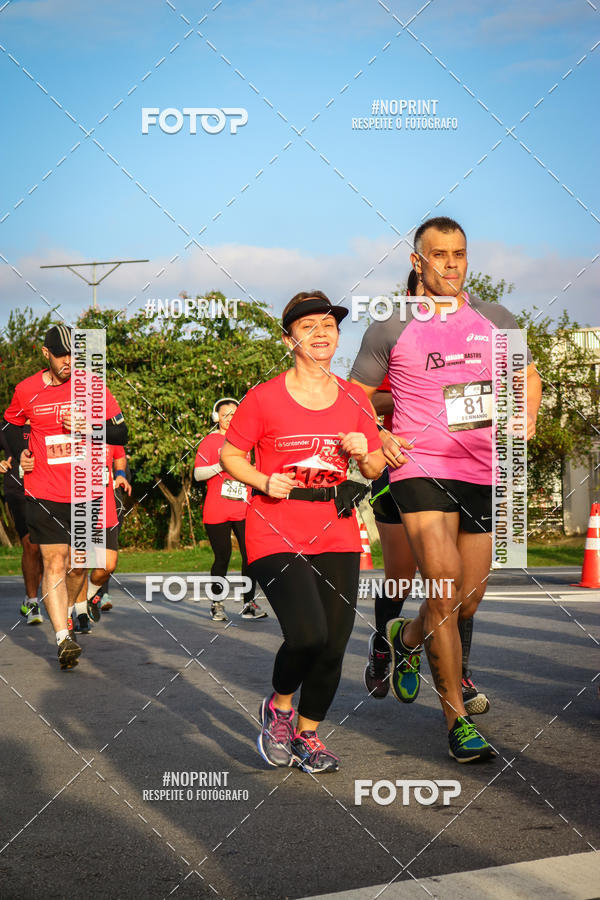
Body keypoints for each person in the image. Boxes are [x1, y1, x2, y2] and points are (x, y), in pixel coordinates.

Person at [350, 217, 541, 762]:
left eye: (459, 253)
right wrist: (379, 436)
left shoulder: (494, 317)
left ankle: (405, 641)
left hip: (482, 468)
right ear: (418, 262)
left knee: (466, 601)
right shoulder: (391, 325)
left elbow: (528, 374)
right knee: (441, 588)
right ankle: (457, 721)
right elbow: (356, 396)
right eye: (439, 255)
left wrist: (526, 412)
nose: (451, 263)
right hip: (420, 468)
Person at [221, 291, 385, 773]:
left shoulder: (355, 398)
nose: (321, 333)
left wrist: (362, 452)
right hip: (274, 528)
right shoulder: (264, 397)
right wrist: (261, 479)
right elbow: (231, 454)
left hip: (335, 528)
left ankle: (308, 737)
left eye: (329, 325)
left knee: (335, 642)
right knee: (308, 634)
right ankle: (279, 707)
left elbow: (374, 468)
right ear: (289, 337)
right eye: (309, 326)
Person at [364, 271, 489, 717]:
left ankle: (458, 667)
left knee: (458, 584)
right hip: (400, 466)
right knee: (401, 572)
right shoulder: (399, 338)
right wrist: (404, 401)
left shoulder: (465, 336)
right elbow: (362, 403)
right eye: (422, 290)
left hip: (458, 468)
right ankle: (385, 644)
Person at [3, 324, 128, 670]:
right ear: (46, 354)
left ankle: (75, 608)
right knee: (54, 562)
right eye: (61, 355)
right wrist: (22, 451)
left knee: (78, 564)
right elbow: (11, 424)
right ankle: (62, 638)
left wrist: (88, 427)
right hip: (43, 492)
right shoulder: (26, 390)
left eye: (74, 354)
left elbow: (121, 431)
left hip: (86, 491)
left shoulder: (93, 388)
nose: (68, 361)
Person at [194, 399, 267, 622]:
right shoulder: (210, 441)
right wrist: (221, 465)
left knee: (250, 556)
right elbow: (198, 475)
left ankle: (248, 604)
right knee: (222, 556)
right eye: (226, 414)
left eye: (235, 414)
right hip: (217, 510)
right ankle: (217, 604)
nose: (231, 418)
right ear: (217, 417)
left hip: (243, 508)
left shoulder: (246, 442)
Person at [72, 443, 132, 633]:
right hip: (78, 506)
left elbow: (119, 455)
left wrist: (120, 474)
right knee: (79, 564)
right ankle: (81, 615)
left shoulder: (111, 432)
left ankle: (89, 596)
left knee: (108, 564)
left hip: (105, 506)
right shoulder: (71, 431)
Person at [1, 422, 43, 624]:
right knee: (31, 545)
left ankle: (30, 596)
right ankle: (33, 602)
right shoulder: (6, 426)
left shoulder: (45, 418)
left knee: (48, 550)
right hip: (18, 491)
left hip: (47, 490)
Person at [95, 446, 131, 612]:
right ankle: (81, 607)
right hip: (80, 502)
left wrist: (121, 475)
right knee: (82, 560)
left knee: (108, 557)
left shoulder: (112, 433)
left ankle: (101, 594)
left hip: (111, 502)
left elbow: (120, 459)